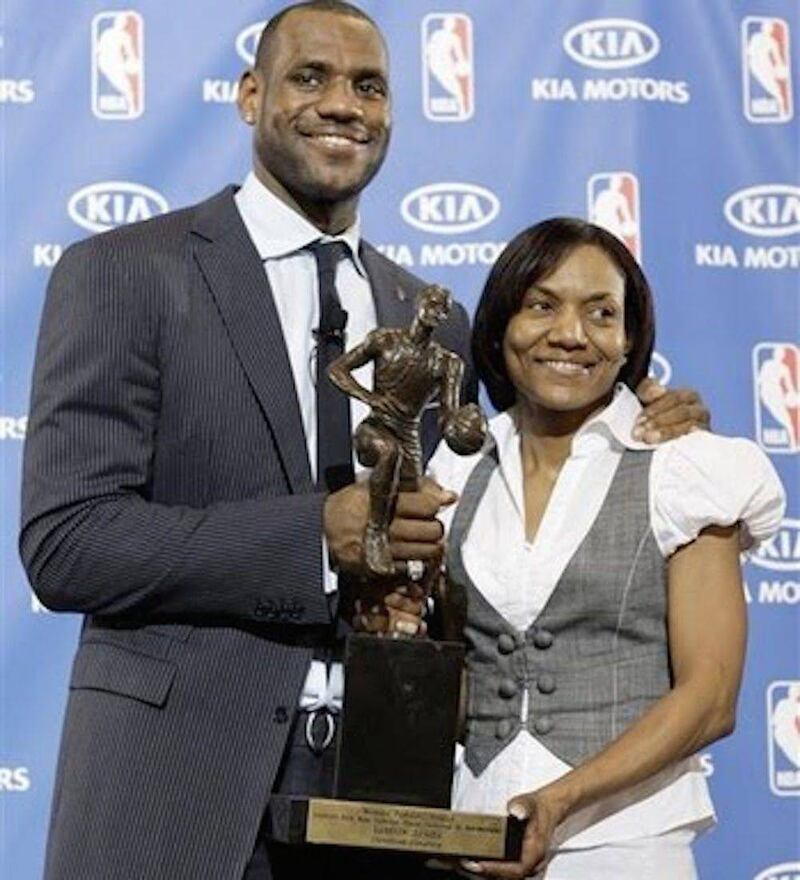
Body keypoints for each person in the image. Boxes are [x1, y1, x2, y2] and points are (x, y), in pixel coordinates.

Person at [19, 2, 711, 878]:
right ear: (250, 95)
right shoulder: (127, 272)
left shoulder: (434, 321)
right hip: (176, 792)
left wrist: (647, 415)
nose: (343, 104)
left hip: (388, 803)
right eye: (310, 77)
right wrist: (314, 539)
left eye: (369, 86)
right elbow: (68, 542)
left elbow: (537, 441)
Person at [426, 218, 785, 880]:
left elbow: (711, 696)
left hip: (626, 842)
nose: (571, 333)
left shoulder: (685, 467)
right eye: (542, 306)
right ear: (500, 327)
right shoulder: (457, 468)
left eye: (602, 313)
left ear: (629, 341)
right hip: (475, 834)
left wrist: (559, 801)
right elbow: (457, 669)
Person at [329, 284, 485, 577]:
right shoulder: (384, 341)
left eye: (442, 309)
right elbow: (337, 370)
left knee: (413, 503)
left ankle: (407, 582)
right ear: (419, 304)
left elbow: (447, 415)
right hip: (374, 430)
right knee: (389, 454)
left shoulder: (447, 364)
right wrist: (369, 397)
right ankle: (374, 534)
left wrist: (464, 426)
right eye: (432, 304)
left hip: (408, 437)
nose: (435, 312)